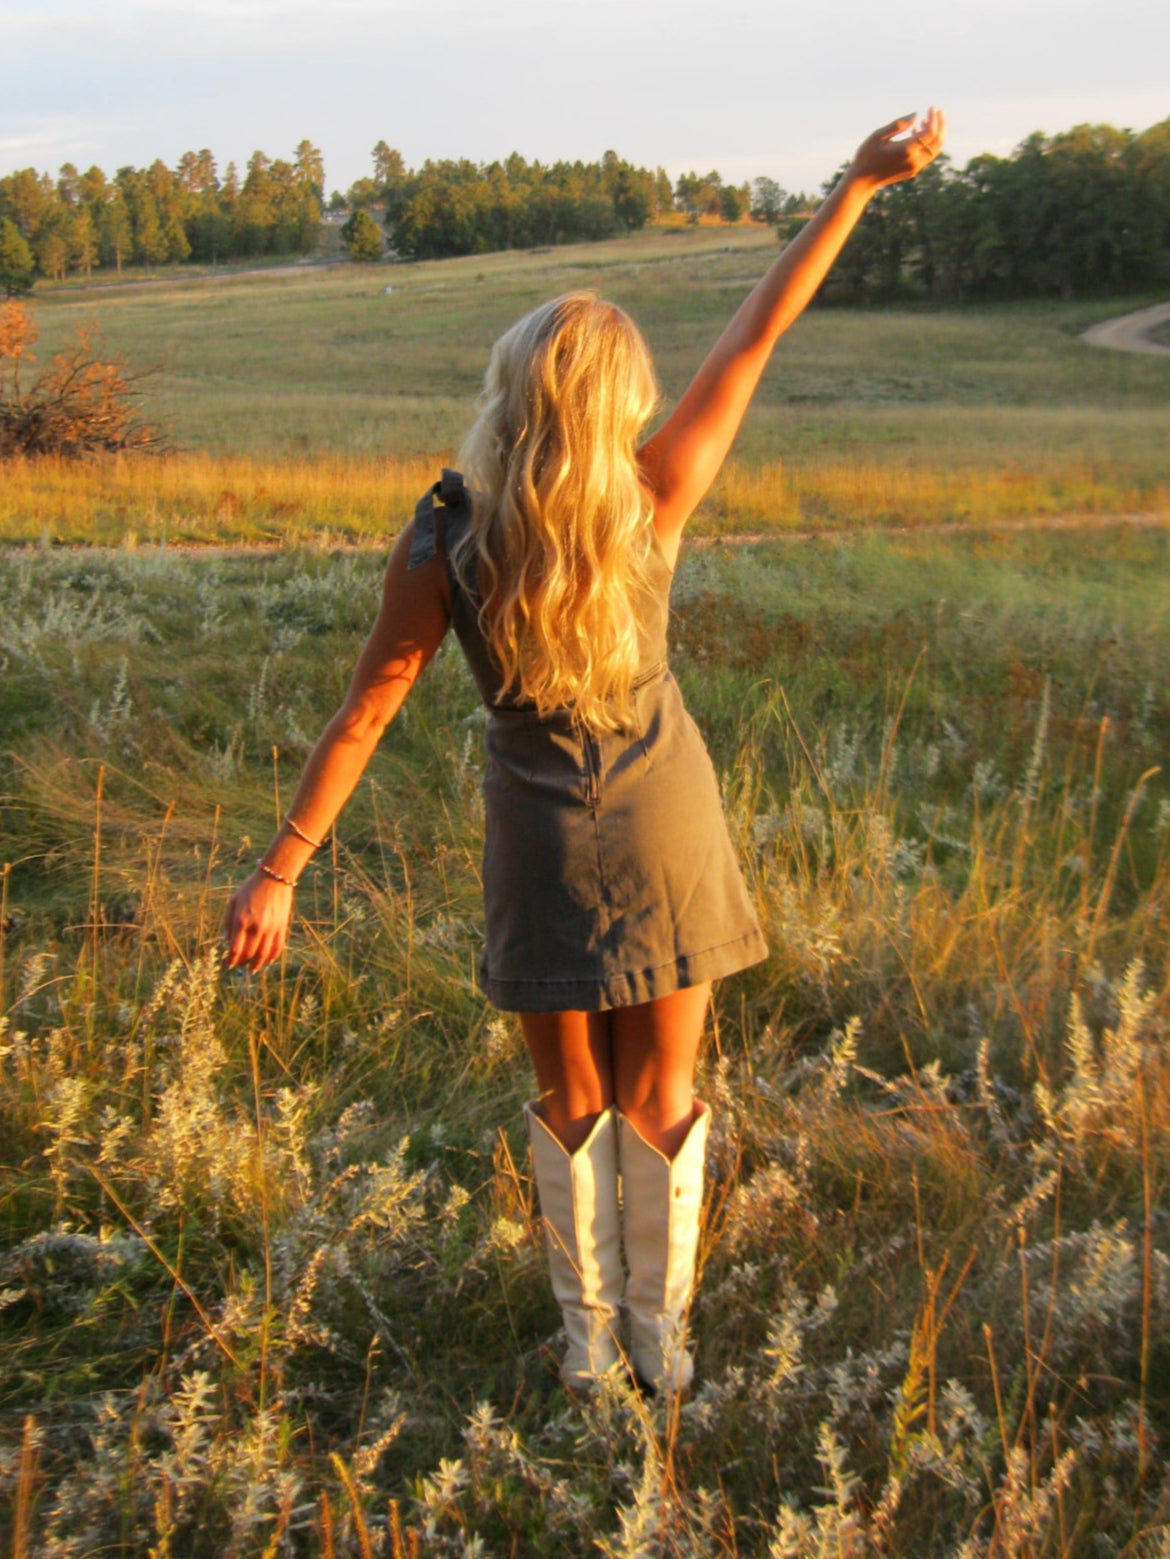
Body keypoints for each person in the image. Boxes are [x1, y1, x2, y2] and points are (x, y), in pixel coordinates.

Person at [224, 109, 946, 1394]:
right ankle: (664, 1355)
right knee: (663, 1094)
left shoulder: (441, 537)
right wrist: (856, 185)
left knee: (574, 1099)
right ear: (620, 404)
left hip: (537, 831)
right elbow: (758, 332)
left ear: (510, 393)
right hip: (667, 814)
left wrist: (280, 870)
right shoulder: (655, 492)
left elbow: (365, 712)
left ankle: (588, 1348)